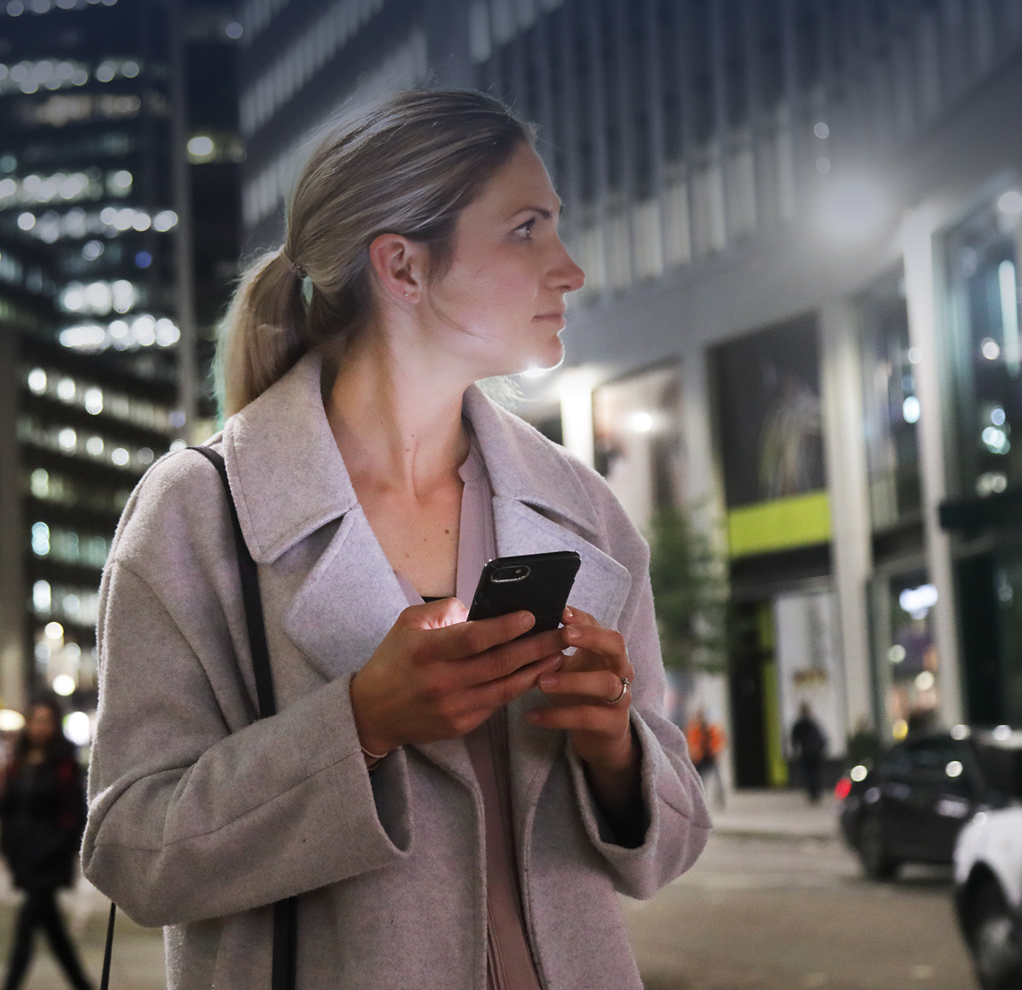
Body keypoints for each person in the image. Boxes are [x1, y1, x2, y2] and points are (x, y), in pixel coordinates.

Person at [84, 89, 709, 990]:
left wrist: (617, 750)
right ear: (402, 267)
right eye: (526, 230)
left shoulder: (582, 508)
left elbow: (672, 843)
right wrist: (360, 724)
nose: (568, 269)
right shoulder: (199, 513)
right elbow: (134, 849)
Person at [0, 697, 93, 990]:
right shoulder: (20, 763)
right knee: (53, 930)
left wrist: (54, 847)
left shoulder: (63, 764)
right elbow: (9, 807)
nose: (38, 727)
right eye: (34, 720)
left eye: (45, 721)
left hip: (48, 858)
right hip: (24, 855)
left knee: (27, 926)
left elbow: (73, 814)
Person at [685, 707, 726, 811]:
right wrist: (694, 753)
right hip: (699, 759)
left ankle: (720, 800)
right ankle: (695, 801)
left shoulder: (712, 729)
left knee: (718, 781)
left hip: (710, 758)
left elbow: (719, 743)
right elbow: (691, 744)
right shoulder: (694, 729)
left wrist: (715, 752)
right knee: (698, 780)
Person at [790, 702, 828, 804]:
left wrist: (795, 751)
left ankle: (813, 794)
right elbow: (822, 738)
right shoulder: (812, 723)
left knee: (809, 774)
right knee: (815, 774)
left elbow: (794, 740)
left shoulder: (800, 724)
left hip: (807, 753)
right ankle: (816, 793)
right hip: (815, 753)